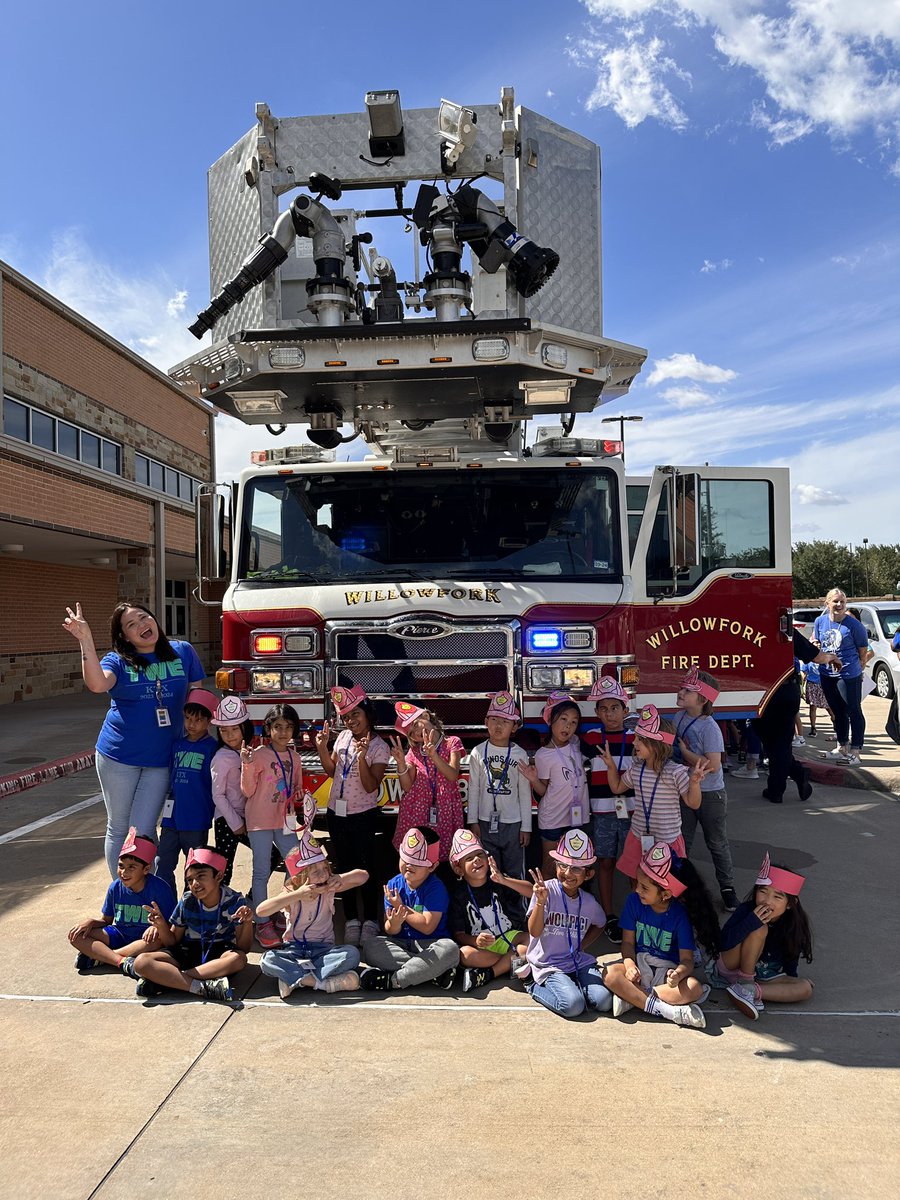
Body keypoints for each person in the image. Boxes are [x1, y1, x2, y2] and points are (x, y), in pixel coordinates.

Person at [62, 601, 205, 878]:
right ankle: (123, 893)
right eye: (131, 624)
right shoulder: (117, 660)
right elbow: (97, 684)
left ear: (154, 620)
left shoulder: (182, 652)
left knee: (144, 828)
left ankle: (149, 893)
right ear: (124, 637)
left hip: (162, 758)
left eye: (144, 617)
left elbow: (197, 697)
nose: (141, 625)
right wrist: (85, 640)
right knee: (118, 827)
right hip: (118, 756)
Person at [602, 841, 707, 1029]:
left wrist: (678, 974)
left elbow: (687, 960)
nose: (637, 890)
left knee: (694, 988)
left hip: (666, 974)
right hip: (639, 969)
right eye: (638, 884)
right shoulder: (633, 901)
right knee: (609, 974)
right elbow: (627, 943)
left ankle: (634, 998)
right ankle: (670, 1012)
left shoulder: (680, 916)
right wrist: (629, 964)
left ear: (665, 894)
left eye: (644, 888)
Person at [315, 685, 390, 947]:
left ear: (368, 713)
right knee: (343, 868)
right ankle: (350, 921)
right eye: (346, 717)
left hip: (363, 815)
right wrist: (323, 748)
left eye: (356, 713)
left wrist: (361, 758)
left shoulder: (380, 747)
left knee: (367, 867)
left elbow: (371, 786)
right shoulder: (344, 737)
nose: (351, 720)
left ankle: (370, 920)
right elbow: (333, 772)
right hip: (337, 813)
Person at [599, 704, 708, 881]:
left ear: (656, 743)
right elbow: (617, 788)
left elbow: (693, 803)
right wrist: (611, 767)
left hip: (667, 840)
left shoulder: (676, 772)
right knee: (637, 880)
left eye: (639, 739)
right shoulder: (636, 769)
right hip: (638, 837)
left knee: (667, 883)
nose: (634, 743)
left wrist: (694, 784)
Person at [133, 847, 253, 1002]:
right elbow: (173, 941)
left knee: (239, 959)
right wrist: (161, 925)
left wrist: (248, 922)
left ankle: (170, 981)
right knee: (141, 962)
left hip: (220, 953)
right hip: (188, 950)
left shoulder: (234, 901)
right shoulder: (187, 900)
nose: (195, 884)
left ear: (219, 876)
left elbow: (244, 949)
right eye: (189, 880)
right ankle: (202, 988)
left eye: (201, 876)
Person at [257, 828, 366, 997]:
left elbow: (363, 876)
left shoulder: (329, 888)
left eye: (326, 868)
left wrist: (340, 878)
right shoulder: (291, 894)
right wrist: (297, 895)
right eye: (316, 872)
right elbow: (261, 910)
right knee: (267, 960)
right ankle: (323, 983)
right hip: (293, 951)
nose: (323, 875)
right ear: (298, 879)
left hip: (324, 951)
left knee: (352, 954)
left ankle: (295, 979)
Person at [710, 852, 814, 1019]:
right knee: (759, 928)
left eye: (777, 897)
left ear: (790, 904)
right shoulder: (746, 910)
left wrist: (790, 981)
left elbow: (791, 958)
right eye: (763, 892)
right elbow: (724, 943)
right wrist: (752, 922)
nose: (767, 900)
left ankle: (752, 992)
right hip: (731, 965)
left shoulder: (794, 924)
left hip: (763, 976)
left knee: (805, 988)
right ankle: (745, 984)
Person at [523, 829, 612, 1019]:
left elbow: (601, 923)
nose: (568, 873)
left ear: (588, 874)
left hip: (576, 962)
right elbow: (534, 931)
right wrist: (540, 902)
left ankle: (574, 988)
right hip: (549, 965)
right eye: (562, 865)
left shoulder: (589, 902)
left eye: (576, 868)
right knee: (573, 1006)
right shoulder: (546, 890)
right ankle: (532, 985)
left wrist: (582, 945)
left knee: (604, 1001)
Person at [359, 827, 460, 992]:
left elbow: (428, 927)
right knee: (371, 947)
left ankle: (394, 980)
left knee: (450, 950)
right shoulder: (393, 884)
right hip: (401, 943)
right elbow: (389, 929)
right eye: (405, 859)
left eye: (417, 863)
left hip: (430, 944)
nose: (409, 865)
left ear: (432, 867)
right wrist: (394, 922)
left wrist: (401, 907)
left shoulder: (436, 888)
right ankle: (431, 972)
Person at [67, 828, 176, 974]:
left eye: (132, 867)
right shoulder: (115, 887)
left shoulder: (160, 888)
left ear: (146, 869)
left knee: (156, 940)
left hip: (144, 939)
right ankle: (121, 961)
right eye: (121, 866)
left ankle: (103, 957)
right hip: (119, 934)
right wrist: (91, 922)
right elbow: (106, 920)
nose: (124, 872)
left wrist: (158, 927)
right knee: (77, 935)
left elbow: (172, 927)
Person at [673, 668, 738, 911]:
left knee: (717, 842)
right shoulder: (679, 717)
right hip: (685, 789)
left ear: (702, 700)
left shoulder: (709, 727)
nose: (680, 693)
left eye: (687, 691)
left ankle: (728, 887)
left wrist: (684, 752)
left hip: (710, 793)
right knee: (682, 841)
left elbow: (713, 764)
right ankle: (680, 885)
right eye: (682, 688)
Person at [240, 702, 305, 947]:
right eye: (277, 727)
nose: (283, 732)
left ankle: (281, 910)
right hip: (260, 821)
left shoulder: (295, 757)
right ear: (268, 729)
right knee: (261, 872)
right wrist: (245, 764)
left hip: (285, 821)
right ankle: (262, 920)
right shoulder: (257, 755)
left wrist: (299, 795)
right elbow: (247, 790)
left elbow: (297, 786)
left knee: (296, 867)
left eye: (288, 727)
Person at [752, 629, 841, 804]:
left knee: (774, 742)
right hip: (782, 689)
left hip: (761, 691)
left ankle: (776, 789)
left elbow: (815, 656)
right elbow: (817, 657)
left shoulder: (774, 626)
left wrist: (830, 657)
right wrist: (831, 658)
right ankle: (798, 773)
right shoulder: (783, 627)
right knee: (777, 743)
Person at [581, 677, 635, 944]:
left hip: (633, 811)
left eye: (615, 708)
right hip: (601, 811)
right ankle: (609, 913)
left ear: (626, 710)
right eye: (604, 708)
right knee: (605, 861)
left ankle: (639, 911)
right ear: (596, 712)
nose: (610, 714)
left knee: (634, 863)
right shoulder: (590, 738)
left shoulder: (636, 738)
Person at [447, 828, 531, 992]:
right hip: (481, 947)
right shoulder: (458, 894)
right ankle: (508, 964)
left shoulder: (498, 880)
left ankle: (488, 974)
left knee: (531, 940)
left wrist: (504, 880)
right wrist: (475, 941)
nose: (477, 860)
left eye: (480, 855)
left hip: (506, 938)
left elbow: (531, 891)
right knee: (464, 955)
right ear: (459, 869)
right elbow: (459, 935)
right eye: (469, 858)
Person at [517, 691, 589, 875]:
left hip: (576, 817)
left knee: (575, 864)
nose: (568, 726)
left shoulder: (576, 744)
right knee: (550, 864)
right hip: (553, 819)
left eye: (574, 722)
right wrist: (533, 779)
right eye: (563, 719)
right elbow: (542, 791)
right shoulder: (544, 754)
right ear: (550, 720)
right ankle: (545, 901)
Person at [157, 688, 220, 896]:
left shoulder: (212, 748)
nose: (191, 724)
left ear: (209, 721)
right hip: (171, 817)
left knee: (193, 869)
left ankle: (188, 908)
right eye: (188, 719)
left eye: (198, 720)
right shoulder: (177, 745)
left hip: (196, 818)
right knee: (162, 862)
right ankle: (167, 906)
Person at [389, 703, 464, 876]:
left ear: (427, 717)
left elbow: (452, 775)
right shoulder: (414, 751)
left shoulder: (452, 742)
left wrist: (434, 756)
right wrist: (401, 763)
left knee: (442, 861)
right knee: (417, 856)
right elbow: (407, 785)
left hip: (444, 809)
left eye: (416, 724)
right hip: (417, 811)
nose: (416, 733)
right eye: (411, 732)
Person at [465, 691, 532, 879]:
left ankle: (517, 908)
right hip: (485, 821)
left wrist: (526, 827)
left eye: (505, 721)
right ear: (486, 722)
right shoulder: (478, 752)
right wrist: (473, 821)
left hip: (513, 823)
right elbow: (474, 789)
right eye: (494, 719)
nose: (498, 725)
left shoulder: (520, 755)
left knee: (514, 871)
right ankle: (496, 906)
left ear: (514, 727)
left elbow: (524, 792)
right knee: (490, 870)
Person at [813, 589, 868, 766]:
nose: (839, 605)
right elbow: (817, 641)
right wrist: (815, 644)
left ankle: (856, 751)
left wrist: (858, 669)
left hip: (848, 675)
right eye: (835, 601)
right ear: (827, 603)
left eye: (842, 602)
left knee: (854, 710)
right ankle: (842, 746)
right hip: (827, 674)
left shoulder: (853, 625)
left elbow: (863, 651)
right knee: (838, 711)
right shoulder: (820, 621)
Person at [210, 696, 255, 887]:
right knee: (224, 870)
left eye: (235, 728)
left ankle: (252, 899)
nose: (229, 735)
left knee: (270, 856)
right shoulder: (221, 758)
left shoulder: (252, 751)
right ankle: (218, 909)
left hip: (248, 818)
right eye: (223, 730)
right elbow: (217, 795)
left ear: (245, 727)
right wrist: (236, 823)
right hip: (227, 821)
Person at [799, 659, 832, 739]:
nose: (817, 645)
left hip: (823, 684)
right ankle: (813, 728)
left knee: (829, 707)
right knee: (812, 706)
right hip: (812, 684)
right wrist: (802, 687)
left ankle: (837, 727)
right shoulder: (808, 659)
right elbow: (804, 672)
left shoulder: (825, 658)